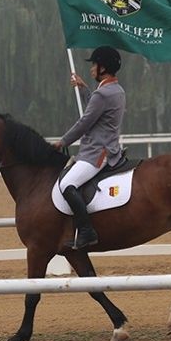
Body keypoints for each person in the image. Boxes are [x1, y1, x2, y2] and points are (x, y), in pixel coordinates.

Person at [52, 46, 126, 249]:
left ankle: (86, 231)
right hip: (106, 148)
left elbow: (85, 122)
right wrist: (84, 90)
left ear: (103, 67)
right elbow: (96, 109)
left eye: (94, 64)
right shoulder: (115, 90)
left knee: (67, 184)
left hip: (97, 153)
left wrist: (63, 142)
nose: (92, 68)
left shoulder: (103, 94)